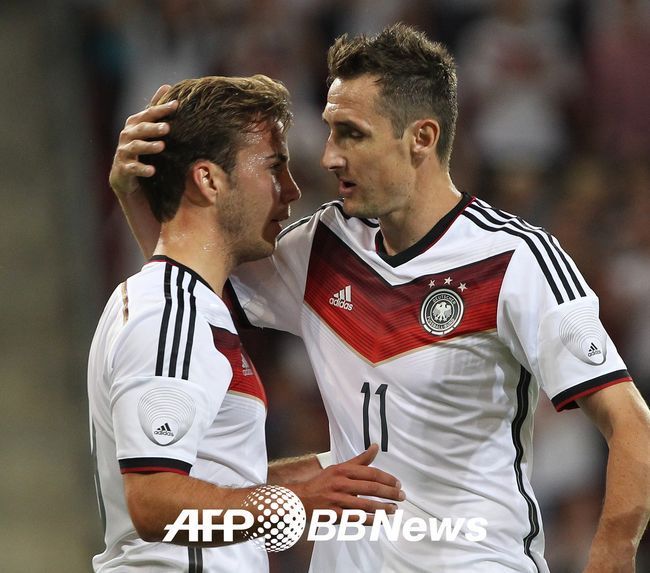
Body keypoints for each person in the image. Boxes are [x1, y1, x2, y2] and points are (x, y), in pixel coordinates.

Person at [109, 24, 650, 573]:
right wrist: (140, 191)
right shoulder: (320, 248)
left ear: (421, 138)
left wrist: (612, 555)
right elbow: (189, 281)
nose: (329, 157)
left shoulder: (516, 260)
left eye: (352, 134)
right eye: (330, 131)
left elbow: (631, 424)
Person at [88, 74, 404, 572]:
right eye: (274, 167)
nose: (291, 191)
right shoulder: (169, 312)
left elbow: (209, 479)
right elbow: (153, 501)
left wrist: (323, 476)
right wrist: (296, 502)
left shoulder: (187, 306)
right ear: (209, 180)